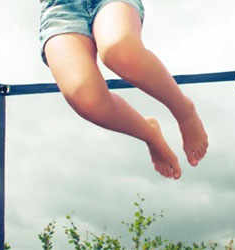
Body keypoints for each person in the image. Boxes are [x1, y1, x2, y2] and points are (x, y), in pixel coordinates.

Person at [39, 0, 208, 180]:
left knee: (120, 52)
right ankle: (150, 132)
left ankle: (184, 111)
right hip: (59, 7)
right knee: (86, 99)